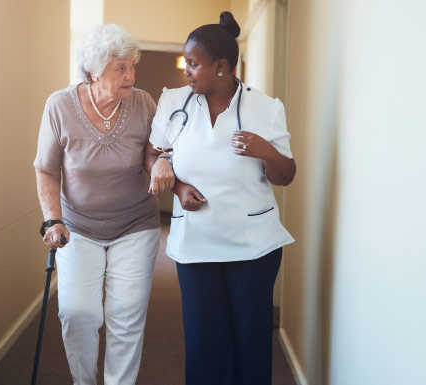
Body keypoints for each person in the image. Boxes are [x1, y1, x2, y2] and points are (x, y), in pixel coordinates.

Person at [145, 11, 296, 385]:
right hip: (196, 242)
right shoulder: (174, 102)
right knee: (203, 339)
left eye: (193, 64)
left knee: (251, 339)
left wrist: (267, 151)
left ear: (222, 67)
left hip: (253, 246)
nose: (187, 71)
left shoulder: (265, 108)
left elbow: (286, 175)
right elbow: (153, 153)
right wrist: (175, 184)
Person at [34, 24, 160, 385]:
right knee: (78, 312)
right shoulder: (59, 106)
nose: (130, 75)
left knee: (126, 314)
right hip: (77, 226)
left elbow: (157, 151)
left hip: (136, 224)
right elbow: (46, 169)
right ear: (93, 69)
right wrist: (52, 219)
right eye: (120, 67)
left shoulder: (143, 103)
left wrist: (163, 160)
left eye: (132, 66)